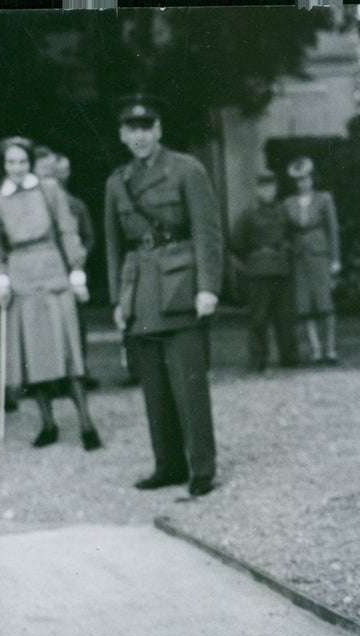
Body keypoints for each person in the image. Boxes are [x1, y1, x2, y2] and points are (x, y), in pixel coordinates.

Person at [104, 94, 222, 497]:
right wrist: (120, 299)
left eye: (146, 128)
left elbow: (207, 232)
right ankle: (168, 465)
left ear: (158, 130)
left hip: (181, 287)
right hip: (140, 293)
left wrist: (208, 287)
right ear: (122, 134)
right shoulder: (117, 183)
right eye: (131, 129)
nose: (139, 136)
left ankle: (202, 467)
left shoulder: (186, 170)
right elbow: (114, 247)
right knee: (154, 388)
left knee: (189, 386)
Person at [0, 136, 102, 450]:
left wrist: (76, 270)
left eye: (23, 162)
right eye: (11, 163)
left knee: (68, 351)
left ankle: (86, 424)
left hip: (53, 270)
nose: (18, 168)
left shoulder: (49, 190)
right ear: (3, 165)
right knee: (32, 357)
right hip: (21, 277)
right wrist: (1, 282)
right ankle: (47, 423)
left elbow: (67, 229)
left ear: (30, 163)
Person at [229, 169, 299, 372]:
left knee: (285, 316)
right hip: (258, 271)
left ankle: (290, 356)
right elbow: (236, 242)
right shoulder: (248, 213)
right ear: (257, 189)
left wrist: (286, 247)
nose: (268, 191)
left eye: (271, 187)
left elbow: (293, 234)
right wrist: (253, 259)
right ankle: (258, 358)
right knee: (259, 317)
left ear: (276, 189)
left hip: (281, 270)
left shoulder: (283, 210)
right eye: (264, 187)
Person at [283, 157, 341, 365]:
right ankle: (315, 349)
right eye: (299, 180)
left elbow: (332, 230)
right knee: (305, 305)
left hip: (320, 256)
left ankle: (330, 349)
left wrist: (335, 259)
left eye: (306, 179)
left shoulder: (324, 199)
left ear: (312, 179)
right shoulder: (288, 203)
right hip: (299, 258)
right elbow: (286, 232)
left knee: (325, 303)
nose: (303, 183)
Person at [54, 152, 99, 390]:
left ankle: (81, 372)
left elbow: (89, 237)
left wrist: (78, 255)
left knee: (77, 323)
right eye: (56, 171)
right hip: (48, 270)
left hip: (73, 270)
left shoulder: (76, 205)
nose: (60, 176)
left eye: (64, 171)